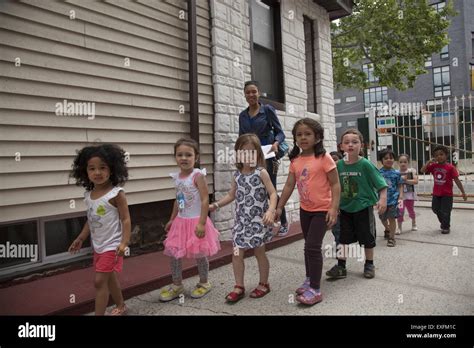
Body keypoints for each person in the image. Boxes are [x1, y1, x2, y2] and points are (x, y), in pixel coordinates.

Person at [276, 118, 340, 305]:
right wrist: (279, 206)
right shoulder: (295, 160)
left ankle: (316, 289)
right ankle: (308, 278)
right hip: (306, 209)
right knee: (308, 246)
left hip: (322, 210)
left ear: (317, 137)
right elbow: (289, 185)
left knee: (312, 246)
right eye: (299, 134)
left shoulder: (324, 158)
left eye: (308, 134)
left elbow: (335, 184)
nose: (303, 137)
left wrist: (334, 208)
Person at [210, 134, 277, 303]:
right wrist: (216, 205)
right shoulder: (237, 175)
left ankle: (264, 284)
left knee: (259, 252)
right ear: (238, 154)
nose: (247, 156)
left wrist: (270, 210)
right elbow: (231, 195)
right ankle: (239, 286)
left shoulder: (261, 173)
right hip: (241, 223)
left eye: (251, 152)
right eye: (243, 152)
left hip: (258, 222)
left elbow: (273, 193)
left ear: (258, 154)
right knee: (236, 253)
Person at [69, 144, 131, 315]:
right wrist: (81, 238)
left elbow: (125, 219)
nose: (97, 172)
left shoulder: (116, 194)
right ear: (85, 171)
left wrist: (124, 242)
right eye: (92, 168)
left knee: (99, 282)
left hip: (112, 245)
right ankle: (121, 306)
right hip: (98, 245)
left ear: (112, 169)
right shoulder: (88, 196)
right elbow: (91, 220)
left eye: (103, 167)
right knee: (109, 279)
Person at [160, 138, 221, 301]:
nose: (184, 158)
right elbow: (179, 199)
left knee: (200, 254)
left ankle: (204, 282)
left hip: (196, 221)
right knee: (174, 254)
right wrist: (172, 219)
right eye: (180, 155)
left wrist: (202, 222)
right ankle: (177, 284)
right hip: (180, 221)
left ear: (196, 157)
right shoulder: (178, 177)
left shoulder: (198, 175)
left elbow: (204, 200)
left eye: (188, 154)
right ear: (175, 157)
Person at [326, 129, 387, 280]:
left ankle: (369, 264)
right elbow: (331, 186)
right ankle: (341, 266)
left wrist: (383, 199)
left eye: (355, 142)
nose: (350, 145)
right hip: (344, 209)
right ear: (341, 146)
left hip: (363, 208)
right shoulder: (337, 166)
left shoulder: (366, 165)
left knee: (367, 238)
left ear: (362, 145)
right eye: (347, 142)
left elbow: (381, 185)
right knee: (342, 238)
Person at [239, 80, 289, 236]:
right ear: (245, 95)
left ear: (259, 93)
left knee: (270, 190)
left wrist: (276, 143)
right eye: (248, 92)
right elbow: (242, 138)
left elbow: (281, 133)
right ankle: (260, 223)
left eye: (254, 91)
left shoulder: (267, 110)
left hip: (268, 156)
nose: (251, 95)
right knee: (254, 190)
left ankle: (283, 221)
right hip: (252, 157)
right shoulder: (242, 115)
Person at [421, 145, 467, 234]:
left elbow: (457, 180)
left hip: (447, 194)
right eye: (436, 155)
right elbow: (422, 170)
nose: (439, 157)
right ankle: (444, 223)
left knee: (446, 211)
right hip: (436, 193)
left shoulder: (450, 168)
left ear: (446, 155)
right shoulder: (433, 166)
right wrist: (428, 162)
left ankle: (446, 227)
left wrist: (463, 193)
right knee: (435, 209)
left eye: (441, 154)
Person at [378, 148, 403, 247]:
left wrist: (400, 196)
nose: (389, 160)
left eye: (391, 158)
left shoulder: (396, 173)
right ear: (382, 160)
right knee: (382, 217)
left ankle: (392, 238)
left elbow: (400, 185)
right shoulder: (378, 173)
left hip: (393, 200)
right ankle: (387, 229)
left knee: (392, 218)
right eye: (386, 158)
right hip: (381, 200)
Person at [397, 154, 418, 234]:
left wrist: (405, 180)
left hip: (409, 196)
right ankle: (399, 227)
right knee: (400, 211)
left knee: (411, 210)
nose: (403, 164)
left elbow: (415, 181)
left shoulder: (411, 171)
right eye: (401, 162)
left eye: (405, 162)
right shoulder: (396, 172)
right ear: (398, 163)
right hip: (400, 197)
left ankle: (414, 223)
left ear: (408, 163)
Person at [330, 151, 343, 249]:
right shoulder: (327, 176)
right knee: (335, 228)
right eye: (330, 159)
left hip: (344, 206)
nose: (333, 162)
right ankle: (339, 244)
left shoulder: (344, 174)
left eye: (335, 159)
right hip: (332, 207)